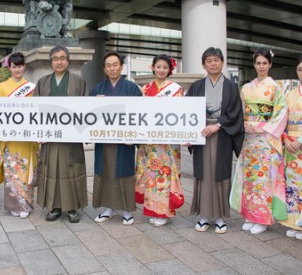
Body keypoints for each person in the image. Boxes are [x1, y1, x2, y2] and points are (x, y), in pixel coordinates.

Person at [186, 47, 244, 234]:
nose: (213, 63)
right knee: (203, 174)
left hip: (222, 134)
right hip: (202, 133)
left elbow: (235, 113)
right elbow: (188, 113)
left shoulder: (231, 87)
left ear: (222, 63)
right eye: (209, 61)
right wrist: (188, 135)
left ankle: (219, 217)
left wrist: (217, 124)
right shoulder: (196, 86)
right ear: (204, 65)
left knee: (220, 174)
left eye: (216, 60)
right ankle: (204, 216)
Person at [230, 48, 288, 235]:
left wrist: (264, 127)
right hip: (249, 139)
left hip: (265, 139)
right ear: (254, 65)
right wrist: (244, 125)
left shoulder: (276, 87)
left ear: (270, 64)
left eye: (265, 63)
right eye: (258, 63)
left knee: (263, 178)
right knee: (249, 178)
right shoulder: (246, 88)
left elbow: (281, 113)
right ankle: (249, 215)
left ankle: (262, 218)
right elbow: (240, 111)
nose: (261, 66)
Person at [34, 45, 87, 223]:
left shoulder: (78, 81)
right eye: (55, 59)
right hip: (50, 137)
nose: (59, 61)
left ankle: (72, 208)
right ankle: (55, 207)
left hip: (70, 139)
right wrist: (38, 132)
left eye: (62, 58)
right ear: (51, 62)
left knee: (71, 170)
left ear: (68, 60)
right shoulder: (42, 82)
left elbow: (86, 109)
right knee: (52, 171)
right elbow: (36, 110)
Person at [90, 51, 142, 226]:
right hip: (104, 141)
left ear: (121, 66)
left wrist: (133, 136)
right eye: (108, 65)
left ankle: (127, 210)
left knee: (123, 173)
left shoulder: (132, 88)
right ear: (104, 69)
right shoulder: (97, 89)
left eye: (115, 64)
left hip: (123, 142)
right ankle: (108, 209)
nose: (112, 68)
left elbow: (139, 114)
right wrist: (95, 103)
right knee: (106, 172)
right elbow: (88, 115)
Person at [135, 54, 184, 226]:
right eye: (159, 66)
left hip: (166, 141)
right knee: (151, 175)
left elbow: (180, 114)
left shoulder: (176, 89)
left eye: (165, 67)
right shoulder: (146, 89)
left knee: (164, 174)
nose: (161, 70)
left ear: (169, 69)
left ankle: (163, 212)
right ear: (152, 67)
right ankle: (151, 209)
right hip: (150, 140)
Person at [0, 52, 38, 219]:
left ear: (24, 67)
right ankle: (13, 205)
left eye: (20, 66)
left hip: (25, 136)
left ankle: (26, 204)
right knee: (11, 171)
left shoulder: (31, 87)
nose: (17, 69)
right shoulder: (1, 87)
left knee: (25, 170)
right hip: (9, 136)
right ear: (9, 67)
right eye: (14, 67)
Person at [279, 55, 302, 239]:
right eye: (300, 69)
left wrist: (299, 140)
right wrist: (286, 139)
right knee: (292, 185)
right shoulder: (290, 94)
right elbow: (282, 120)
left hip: (300, 143)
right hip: (291, 147)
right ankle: (294, 223)